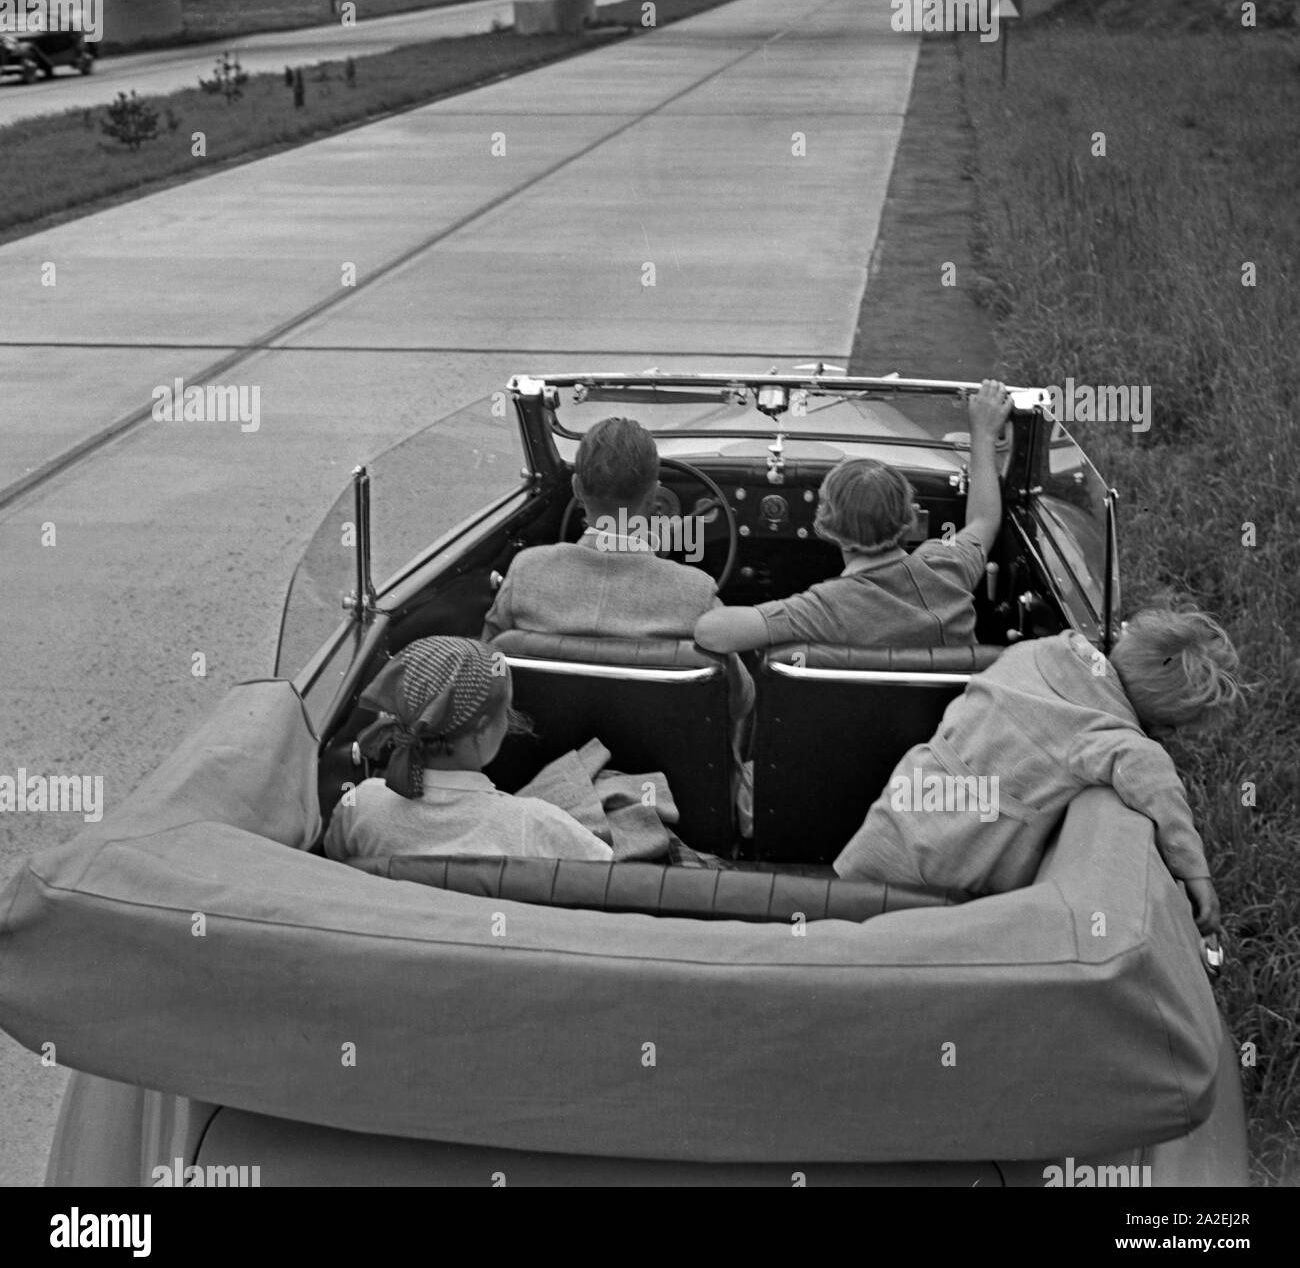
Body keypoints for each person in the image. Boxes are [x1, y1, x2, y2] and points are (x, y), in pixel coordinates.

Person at [833, 607, 1244, 936]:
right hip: (948, 866)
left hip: (895, 818)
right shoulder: (1107, 732)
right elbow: (1154, 778)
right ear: (1164, 727)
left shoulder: (1037, 652)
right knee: (888, 942)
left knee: (839, 912)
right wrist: (1194, 870)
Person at [481, 416, 756, 824]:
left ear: (576, 489)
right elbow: (740, 702)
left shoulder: (527, 572)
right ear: (656, 497)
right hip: (678, 812)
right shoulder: (694, 592)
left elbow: (484, 670)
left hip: (536, 802)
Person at [694, 380, 1014, 655]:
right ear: (911, 518)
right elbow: (984, 519)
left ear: (824, 526)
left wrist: (677, 578)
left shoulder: (825, 608)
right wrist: (982, 435)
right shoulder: (946, 567)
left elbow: (711, 631)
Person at [324, 636, 613, 865]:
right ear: (483, 729)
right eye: (506, 711)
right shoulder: (534, 824)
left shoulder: (360, 805)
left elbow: (335, 862)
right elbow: (605, 877)